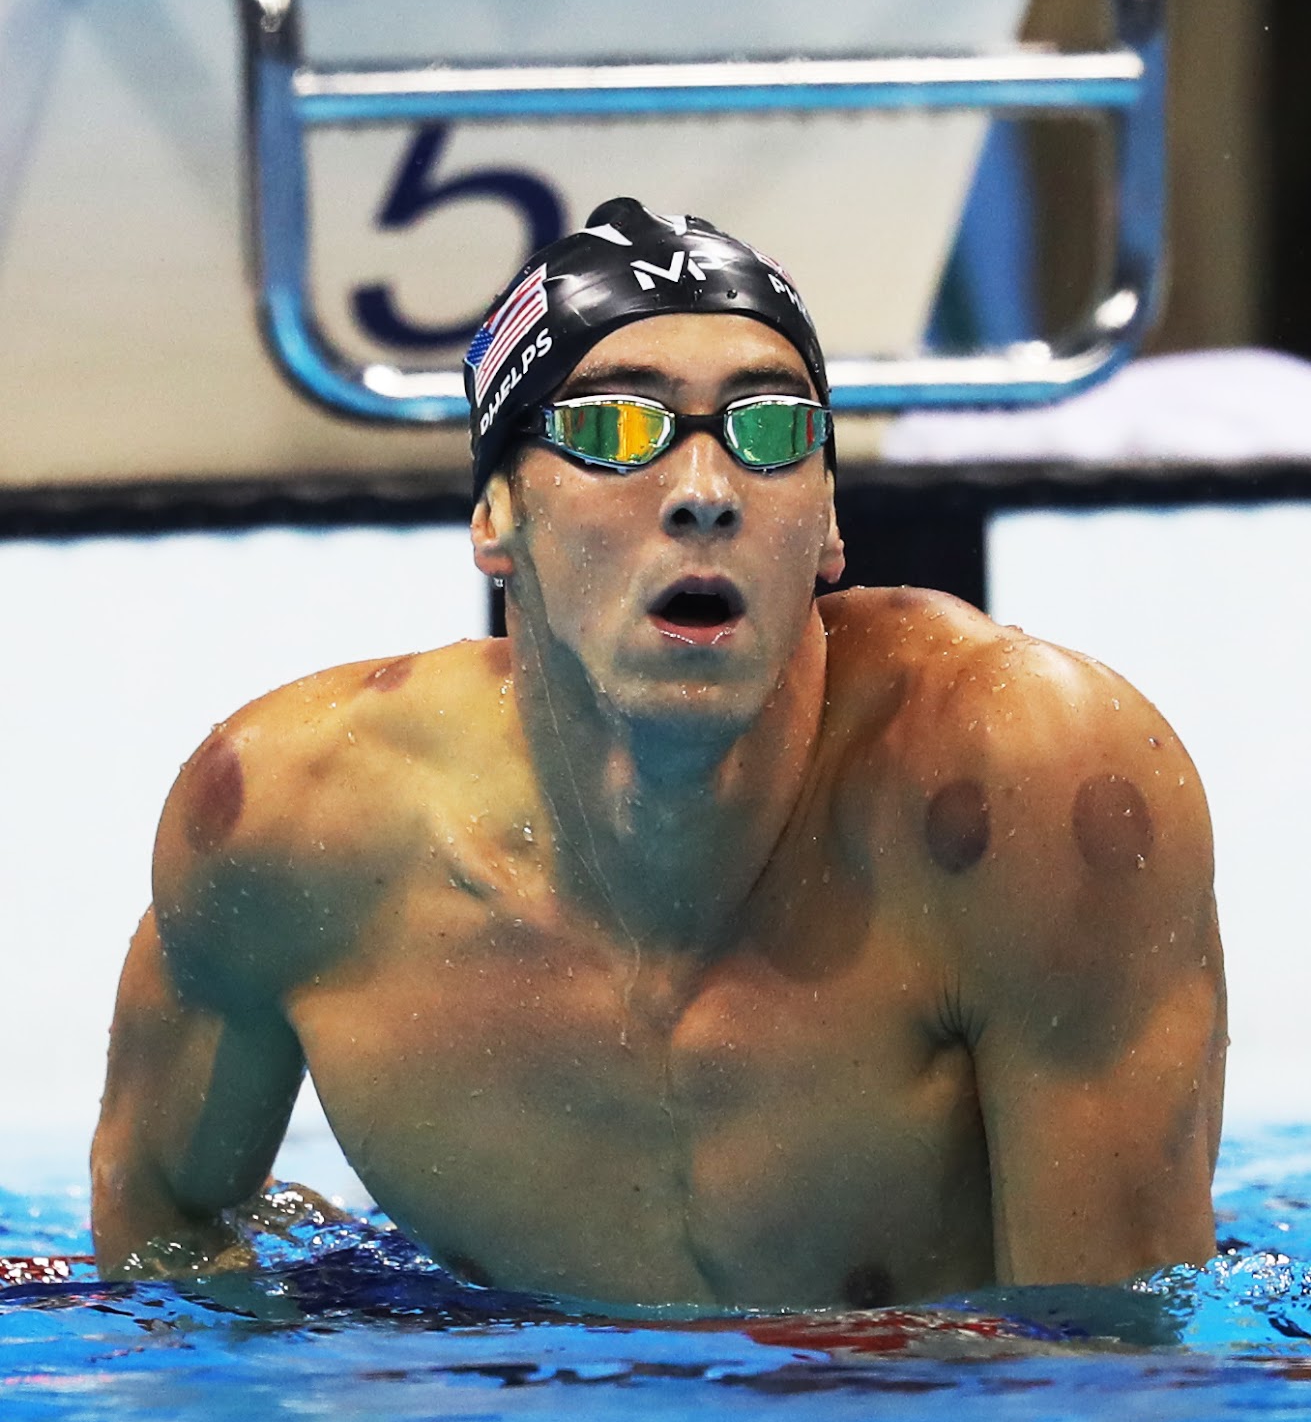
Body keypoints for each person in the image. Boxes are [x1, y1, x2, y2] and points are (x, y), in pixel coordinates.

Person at [91, 199, 1226, 1312]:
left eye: (771, 430)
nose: (703, 494)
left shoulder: (1024, 788)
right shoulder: (294, 823)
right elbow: (158, 1243)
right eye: (616, 430)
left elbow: (1107, 1377)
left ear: (829, 519)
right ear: (496, 516)